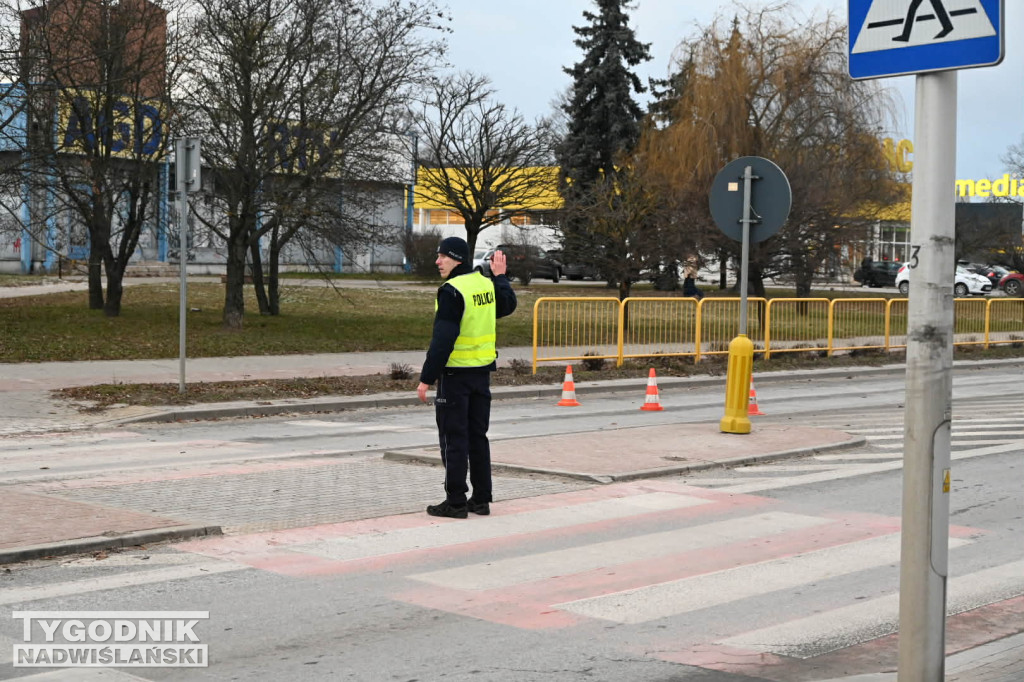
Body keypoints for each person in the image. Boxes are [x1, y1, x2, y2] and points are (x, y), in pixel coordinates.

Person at [417, 237, 517, 519]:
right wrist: (500, 278)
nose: (437, 262)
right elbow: (507, 306)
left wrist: (426, 378)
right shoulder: (485, 284)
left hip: (456, 375)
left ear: (457, 258)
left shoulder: (452, 290)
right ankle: (481, 499)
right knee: (477, 437)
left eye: (442, 257)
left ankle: (456, 501)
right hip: (482, 374)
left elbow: (443, 339)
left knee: (453, 438)